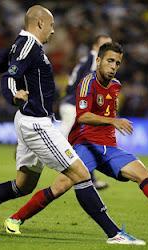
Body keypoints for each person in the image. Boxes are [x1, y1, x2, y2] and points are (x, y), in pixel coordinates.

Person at [0, 5, 145, 245]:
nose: (53, 30)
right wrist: (13, 95)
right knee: (80, 173)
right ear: (39, 23)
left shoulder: (22, 45)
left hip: (33, 121)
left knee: (23, 186)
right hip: (36, 124)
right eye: (51, 25)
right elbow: (9, 77)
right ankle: (114, 234)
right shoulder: (27, 46)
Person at [3, 42, 148, 236]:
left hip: (109, 148)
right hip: (85, 145)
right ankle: (15, 218)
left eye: (117, 63)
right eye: (110, 61)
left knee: (142, 173)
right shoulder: (87, 83)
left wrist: (111, 125)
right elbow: (82, 116)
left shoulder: (116, 85)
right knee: (59, 187)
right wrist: (113, 121)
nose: (114, 66)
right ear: (98, 61)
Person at [60, 35, 112, 190]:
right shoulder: (95, 59)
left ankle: (91, 179)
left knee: (85, 142)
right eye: (105, 45)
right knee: (63, 139)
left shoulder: (87, 60)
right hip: (74, 106)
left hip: (72, 104)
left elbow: (72, 85)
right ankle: (32, 145)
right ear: (96, 46)